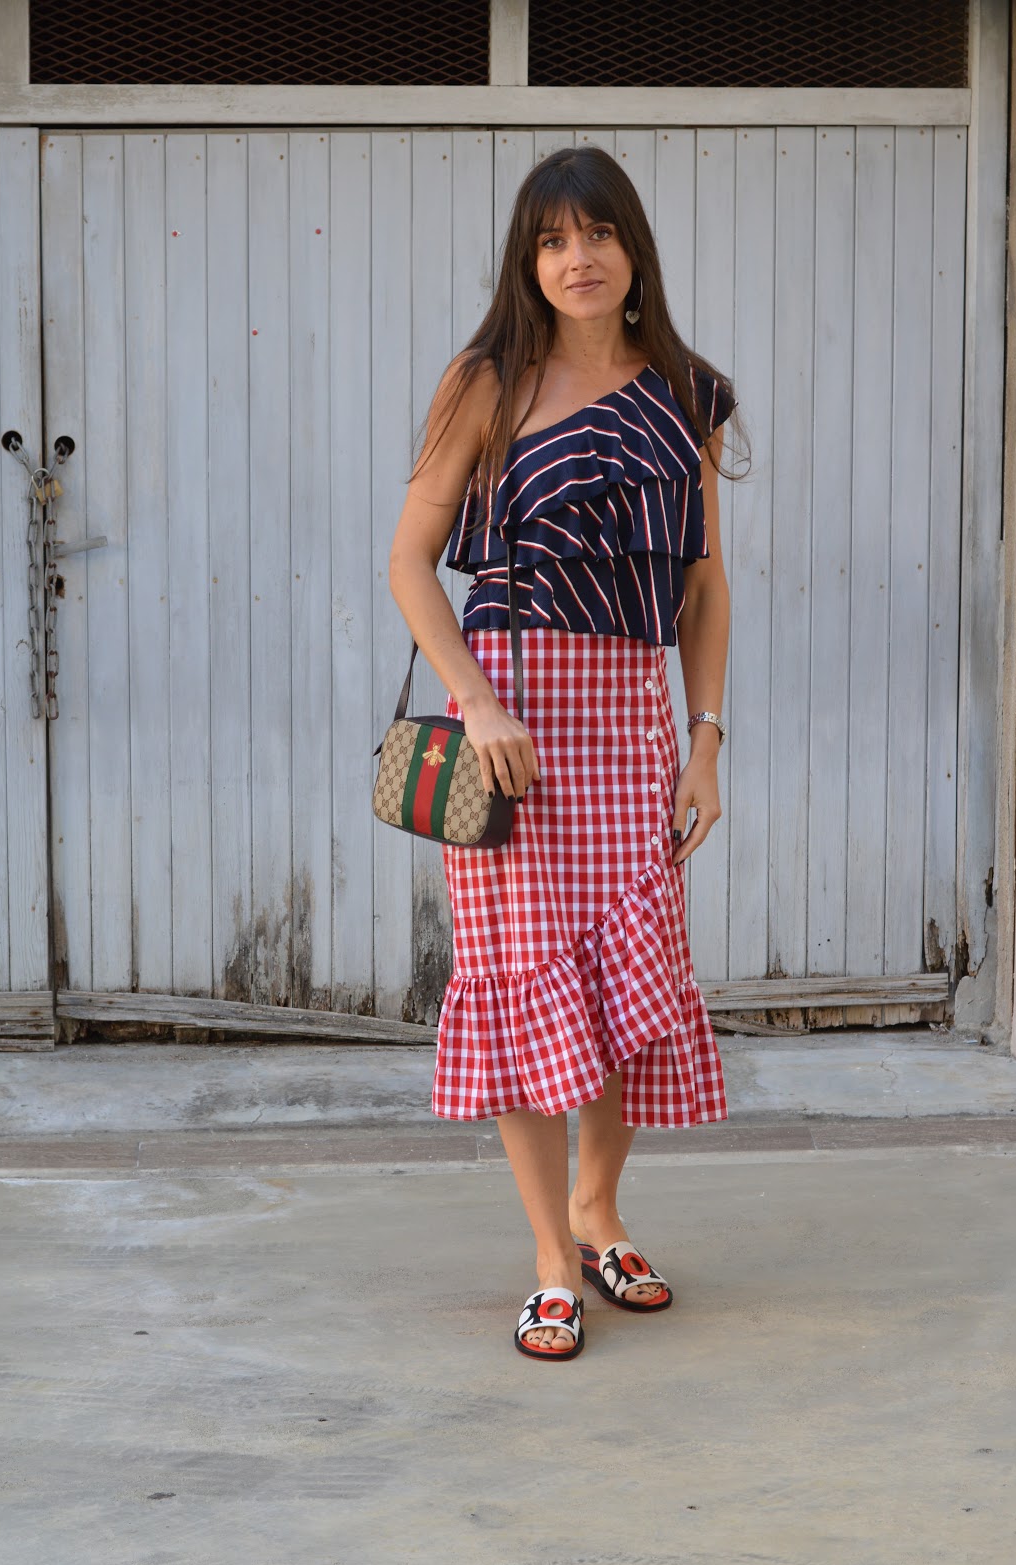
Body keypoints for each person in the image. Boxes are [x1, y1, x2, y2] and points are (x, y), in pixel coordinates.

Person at [388, 145, 740, 1362]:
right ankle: (549, 1256)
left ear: (631, 250)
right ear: (526, 262)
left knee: (626, 985)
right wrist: (475, 703)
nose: (575, 258)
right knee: (522, 981)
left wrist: (702, 742)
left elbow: (699, 585)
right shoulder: (487, 381)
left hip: (629, 726)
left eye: (595, 234)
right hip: (515, 728)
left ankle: (599, 1209)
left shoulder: (683, 393)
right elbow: (407, 563)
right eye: (550, 240)